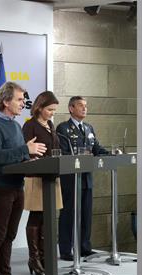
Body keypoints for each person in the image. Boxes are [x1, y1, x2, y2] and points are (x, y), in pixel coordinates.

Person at [0, 82, 47, 275]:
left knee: (9, 235)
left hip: (17, 187)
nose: (23, 103)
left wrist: (29, 158)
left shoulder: (16, 126)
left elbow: (15, 156)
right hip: (1, 188)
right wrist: (24, 150)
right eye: (19, 99)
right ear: (6, 101)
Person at [56, 96, 108, 261]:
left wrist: (111, 154)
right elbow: (64, 153)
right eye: (80, 106)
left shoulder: (88, 127)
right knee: (69, 213)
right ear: (71, 108)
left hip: (86, 177)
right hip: (71, 178)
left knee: (86, 213)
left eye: (86, 106)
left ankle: (84, 247)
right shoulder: (63, 128)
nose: (84, 109)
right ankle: (65, 250)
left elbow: (96, 148)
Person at [21, 91, 63, 275]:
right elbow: (25, 151)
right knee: (36, 216)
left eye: (54, 110)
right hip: (36, 176)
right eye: (49, 110)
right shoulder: (29, 125)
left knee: (48, 217)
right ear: (39, 107)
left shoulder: (50, 125)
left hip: (51, 176)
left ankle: (45, 257)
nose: (52, 113)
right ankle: (34, 258)